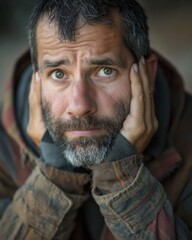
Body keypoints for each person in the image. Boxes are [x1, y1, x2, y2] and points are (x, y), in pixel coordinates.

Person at [0, 0, 192, 239]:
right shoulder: (4, 150)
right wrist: (54, 177)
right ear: (37, 82)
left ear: (147, 75)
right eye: (58, 74)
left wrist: (123, 178)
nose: (79, 106)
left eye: (105, 71)